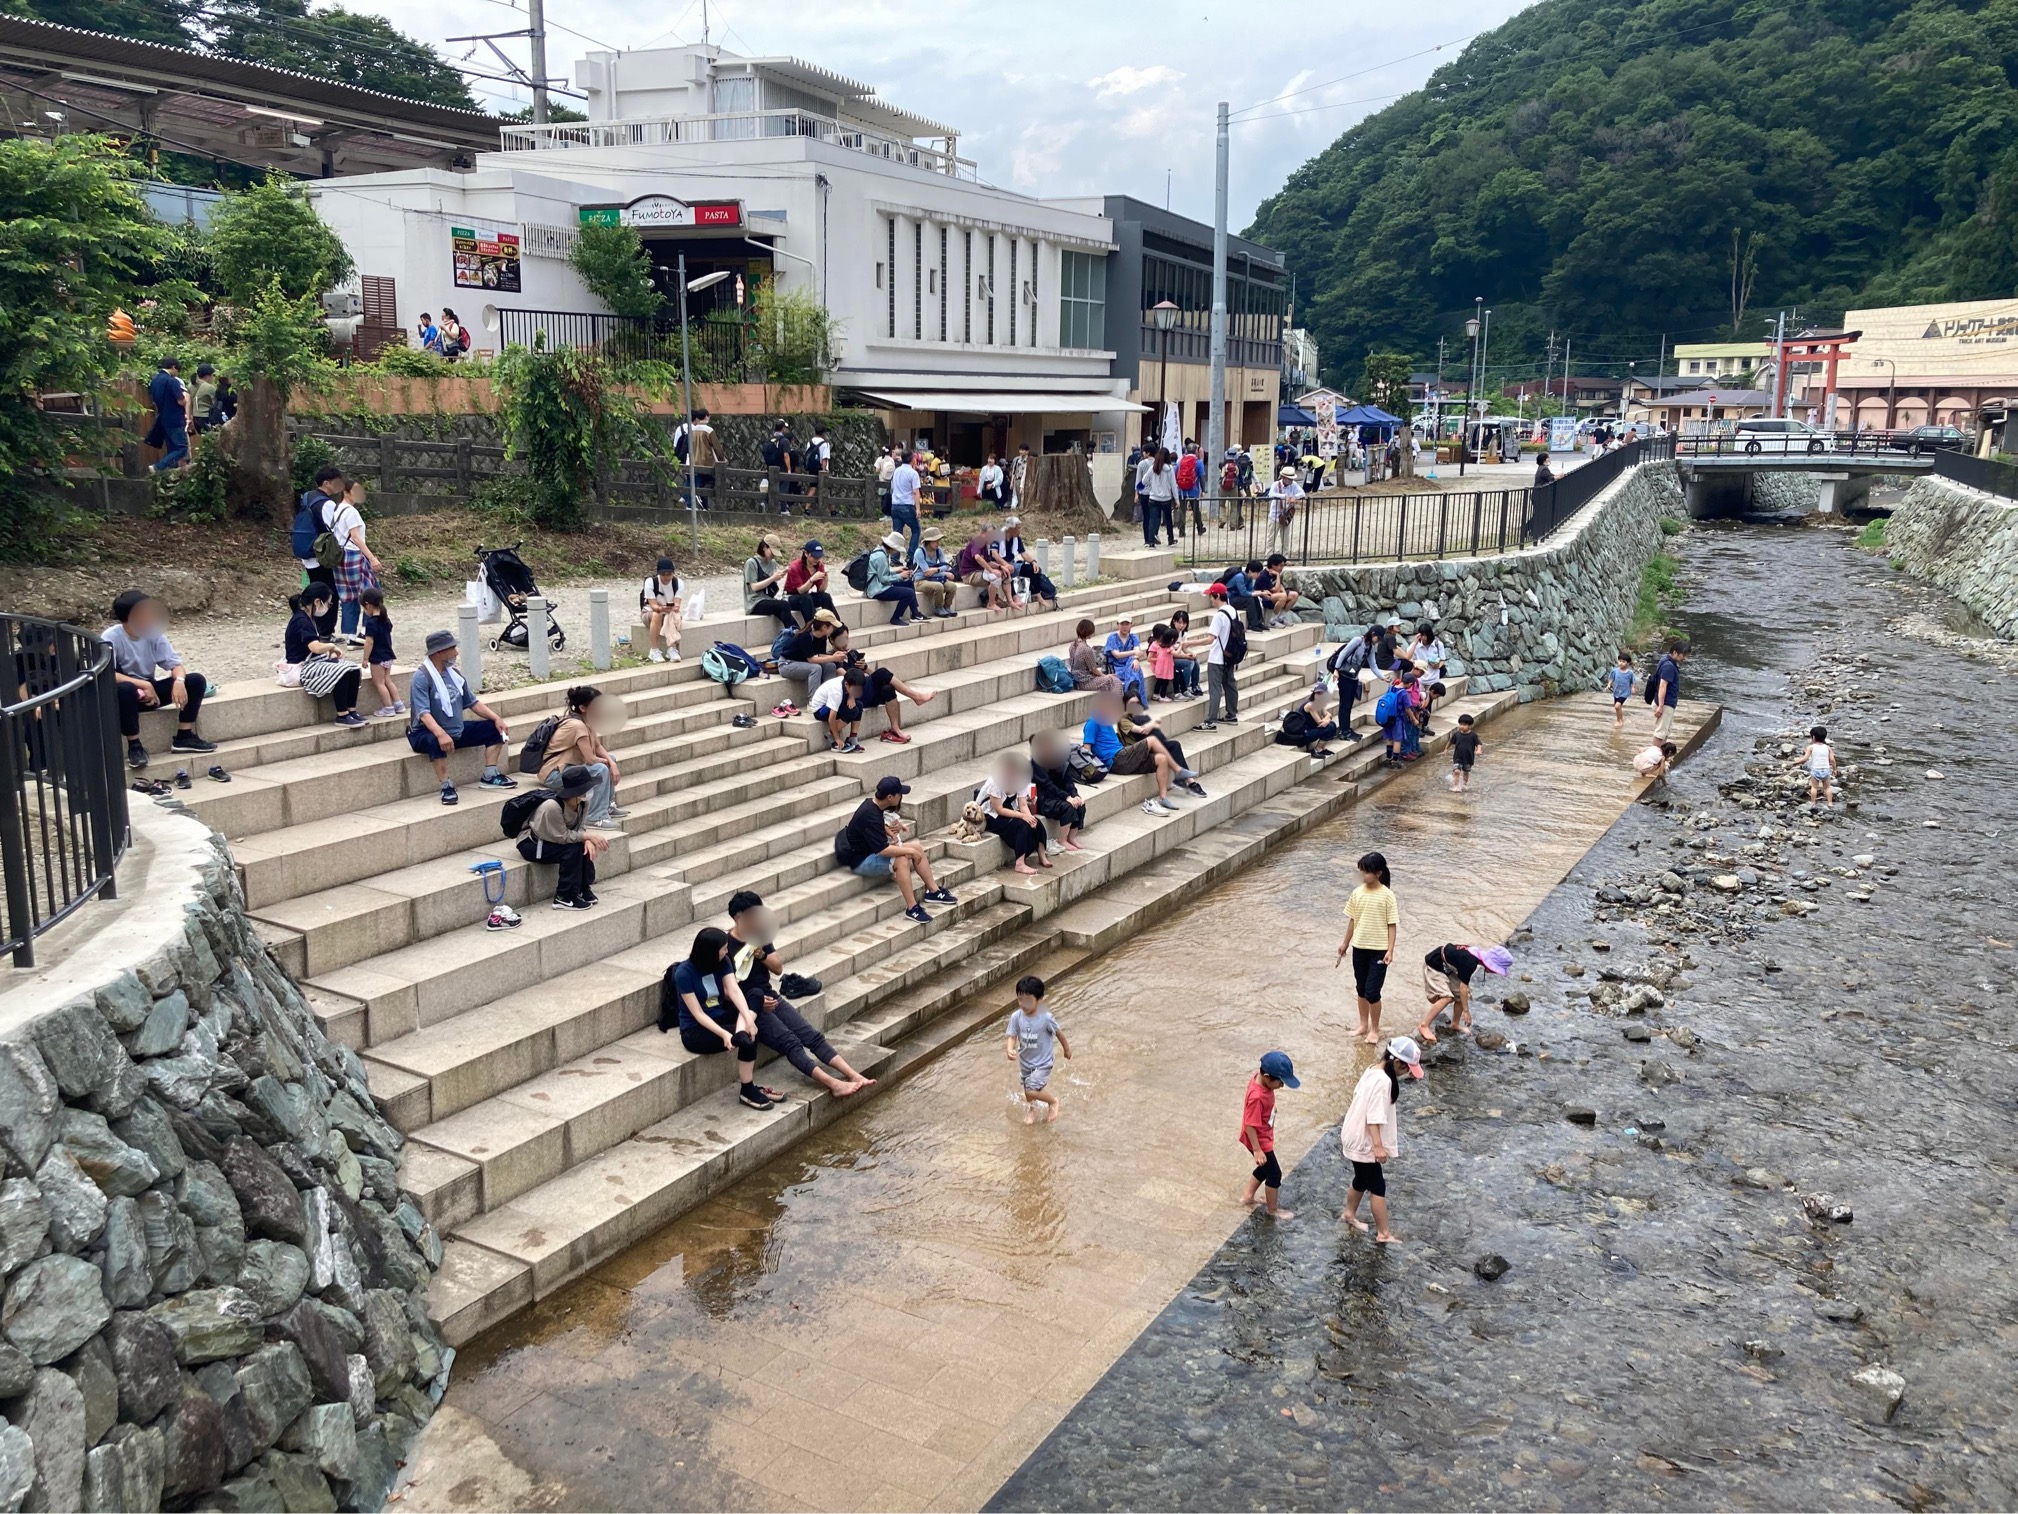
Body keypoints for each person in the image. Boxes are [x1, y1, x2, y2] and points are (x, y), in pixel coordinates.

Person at [726, 890, 874, 1097]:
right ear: (739, 918)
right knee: (791, 1043)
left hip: (772, 998)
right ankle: (834, 1084)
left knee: (811, 1036)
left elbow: (778, 968)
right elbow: (727, 990)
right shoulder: (726, 947)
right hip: (749, 1009)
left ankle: (853, 1075)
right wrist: (757, 1003)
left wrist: (762, 954)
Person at [658, 927, 772, 1111]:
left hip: (720, 1016)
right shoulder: (684, 973)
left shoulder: (723, 962)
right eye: (724, 948)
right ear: (710, 952)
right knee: (750, 1040)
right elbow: (698, 1014)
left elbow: (734, 991)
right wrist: (724, 1035)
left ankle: (741, 1032)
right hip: (696, 1031)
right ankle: (747, 1089)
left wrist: (748, 1020)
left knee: (756, 994)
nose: (727, 952)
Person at [104, 590, 216, 768]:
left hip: (151, 691)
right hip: (125, 694)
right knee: (125, 689)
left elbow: (175, 664)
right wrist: (143, 685)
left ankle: (184, 737)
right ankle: (135, 745)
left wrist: (179, 681)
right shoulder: (111, 637)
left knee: (195, 681)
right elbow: (107, 673)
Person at [408, 628, 513, 805]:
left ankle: (490, 775)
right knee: (435, 741)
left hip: (456, 730)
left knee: (493, 729)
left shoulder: (454, 674)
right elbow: (423, 714)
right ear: (439, 652)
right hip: (424, 733)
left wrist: (496, 718)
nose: (456, 652)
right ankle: (446, 785)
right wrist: (441, 734)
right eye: (452, 648)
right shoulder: (422, 677)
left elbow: (473, 702)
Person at [834, 776, 958, 923]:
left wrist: (889, 830)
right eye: (900, 794)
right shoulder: (870, 813)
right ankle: (912, 908)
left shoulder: (873, 805)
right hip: (859, 861)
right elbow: (883, 850)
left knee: (917, 846)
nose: (901, 797)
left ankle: (933, 891)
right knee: (902, 860)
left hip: (868, 851)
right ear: (890, 797)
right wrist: (909, 852)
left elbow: (873, 828)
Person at [1339, 1037, 1421, 1244]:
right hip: (1364, 1140)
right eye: (1407, 1068)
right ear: (1398, 1062)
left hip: (1352, 1133)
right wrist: (1378, 1147)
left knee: (1361, 1178)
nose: (1408, 1073)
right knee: (1377, 1186)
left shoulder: (1373, 1070)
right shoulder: (1384, 1081)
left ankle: (1349, 1214)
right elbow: (1373, 1117)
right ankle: (1383, 1233)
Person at [1083, 690, 1202, 815]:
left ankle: (1163, 798)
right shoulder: (1093, 723)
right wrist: (1095, 771)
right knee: (1151, 740)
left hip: (1123, 759)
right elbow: (1087, 750)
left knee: (1161, 759)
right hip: (1116, 759)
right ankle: (1178, 771)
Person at [516, 763, 610, 912]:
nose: (591, 790)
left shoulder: (583, 802)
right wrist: (587, 836)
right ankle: (563, 897)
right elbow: (562, 837)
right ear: (577, 791)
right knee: (572, 850)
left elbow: (580, 826)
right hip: (533, 843)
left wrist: (586, 839)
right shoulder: (552, 807)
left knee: (582, 846)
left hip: (555, 839)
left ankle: (582, 888)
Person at [537, 685, 625, 826]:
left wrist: (612, 762)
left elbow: (597, 747)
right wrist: (609, 765)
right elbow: (591, 759)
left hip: (569, 769)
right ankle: (595, 816)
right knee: (600, 768)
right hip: (553, 774)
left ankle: (607, 806)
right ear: (583, 708)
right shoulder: (576, 726)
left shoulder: (587, 722)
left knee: (610, 759)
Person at [1337, 851, 1398, 1046]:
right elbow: (1353, 920)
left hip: (1379, 950)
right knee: (1361, 989)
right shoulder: (1357, 893)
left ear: (1379, 873)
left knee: (1373, 992)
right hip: (1359, 948)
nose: (1363, 875)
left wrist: (1390, 950)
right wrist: (1345, 943)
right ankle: (1363, 1025)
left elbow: (1392, 925)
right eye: (1361, 871)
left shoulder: (1388, 896)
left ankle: (1375, 1029)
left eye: (1366, 871)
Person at [282, 587, 365, 728]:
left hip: (312, 662)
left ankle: (351, 710)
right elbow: (315, 647)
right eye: (329, 603)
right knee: (342, 671)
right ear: (317, 602)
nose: (329, 607)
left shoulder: (307, 617)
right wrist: (331, 646)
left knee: (353, 669)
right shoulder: (301, 621)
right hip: (301, 667)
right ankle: (342, 715)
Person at [1239, 1050, 1298, 1220]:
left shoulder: (1259, 1077)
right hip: (1257, 1140)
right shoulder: (1257, 1097)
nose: (1282, 1086)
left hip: (1262, 1136)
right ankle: (1273, 1210)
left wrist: (1270, 1107)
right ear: (1266, 1076)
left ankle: (1247, 1197)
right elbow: (1250, 1125)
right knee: (1274, 1173)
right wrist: (1257, 1150)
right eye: (1280, 1082)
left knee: (1265, 1167)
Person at [1417, 943, 1511, 1044]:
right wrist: (1466, 1011)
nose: (1495, 972)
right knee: (1447, 997)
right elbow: (1463, 987)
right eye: (1496, 970)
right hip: (1434, 964)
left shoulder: (1475, 956)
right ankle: (1424, 1025)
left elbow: (1463, 989)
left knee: (1464, 996)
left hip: (1446, 967)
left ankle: (1455, 1024)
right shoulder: (1470, 962)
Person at [1006, 974, 1070, 1123]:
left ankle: (1053, 1102)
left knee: (1031, 1089)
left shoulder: (1046, 1017)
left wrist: (1066, 1049)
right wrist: (1009, 1049)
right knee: (1028, 1089)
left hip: (1043, 1062)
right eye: (1020, 999)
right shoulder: (1016, 1017)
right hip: (1026, 1061)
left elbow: (1059, 1033)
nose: (1023, 1003)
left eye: (1028, 1000)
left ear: (1039, 1000)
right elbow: (1012, 1036)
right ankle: (1032, 1109)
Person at [294, 465, 345, 640]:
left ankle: (315, 628)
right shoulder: (326, 503)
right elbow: (334, 529)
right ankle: (326, 632)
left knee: (315, 590)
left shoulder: (308, 496)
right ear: (326, 483)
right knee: (328, 594)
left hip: (307, 552)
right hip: (321, 555)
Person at [328, 478, 382, 642]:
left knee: (348, 595)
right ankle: (366, 630)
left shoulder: (337, 510)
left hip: (340, 557)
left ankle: (350, 634)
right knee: (371, 593)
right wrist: (372, 558)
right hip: (354, 556)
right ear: (346, 492)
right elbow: (356, 538)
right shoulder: (351, 512)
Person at [979, 750, 1050, 875]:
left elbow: (1023, 804)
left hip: (1009, 810)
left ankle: (1042, 856)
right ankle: (1020, 864)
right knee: (1021, 825)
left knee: (1036, 822)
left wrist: (1029, 817)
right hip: (990, 815)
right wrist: (1023, 817)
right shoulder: (994, 782)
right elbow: (998, 809)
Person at [774, 606, 848, 709]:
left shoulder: (822, 637)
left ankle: (828, 697)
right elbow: (811, 659)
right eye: (832, 627)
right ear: (824, 627)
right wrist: (833, 658)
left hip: (803, 663)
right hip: (787, 664)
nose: (834, 630)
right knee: (816, 668)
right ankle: (814, 702)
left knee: (830, 666)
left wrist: (836, 656)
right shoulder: (805, 636)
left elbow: (820, 655)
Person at [1029, 730, 1088, 851]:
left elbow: (1068, 781)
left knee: (1080, 804)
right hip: (1045, 799)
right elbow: (1047, 785)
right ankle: (1062, 839)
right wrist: (1066, 797)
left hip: (1060, 795)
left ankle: (1071, 837)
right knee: (1068, 807)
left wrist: (1074, 795)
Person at [1197, 586, 1242, 731]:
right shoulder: (1234, 611)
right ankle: (1231, 714)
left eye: (1211, 596)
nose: (1210, 599)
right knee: (1230, 685)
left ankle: (1210, 721)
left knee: (1215, 689)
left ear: (1217, 596)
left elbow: (1210, 639)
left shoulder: (1219, 616)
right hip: (1230, 656)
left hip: (1217, 658)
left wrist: (1189, 643)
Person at [357, 586, 401, 719]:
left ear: (368, 605)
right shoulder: (385, 620)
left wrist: (365, 658)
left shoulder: (371, 623)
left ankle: (388, 708)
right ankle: (398, 704)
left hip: (378, 657)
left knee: (379, 683)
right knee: (388, 680)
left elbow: (369, 642)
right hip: (388, 655)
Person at [809, 665, 870, 753]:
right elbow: (831, 718)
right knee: (853, 710)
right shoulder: (836, 692)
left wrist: (851, 696)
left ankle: (852, 738)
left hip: (832, 703)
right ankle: (831, 735)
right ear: (846, 684)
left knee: (859, 705)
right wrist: (837, 738)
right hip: (820, 710)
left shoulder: (846, 681)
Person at [998, 516, 1057, 607]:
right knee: (1008, 571)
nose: (1019, 530)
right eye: (1018, 528)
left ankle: (1037, 595)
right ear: (1011, 528)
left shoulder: (1016, 538)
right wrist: (1005, 564)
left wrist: (1033, 562)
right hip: (1000, 564)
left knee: (1033, 569)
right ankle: (1014, 597)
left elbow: (1023, 553)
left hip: (1012, 563)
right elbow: (994, 555)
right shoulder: (998, 537)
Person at [743, 534, 797, 632]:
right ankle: (791, 635)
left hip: (768, 598)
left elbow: (771, 582)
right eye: (772, 552)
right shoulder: (751, 563)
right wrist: (772, 578)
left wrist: (779, 576)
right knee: (784, 605)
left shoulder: (772, 563)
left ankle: (799, 634)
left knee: (785, 609)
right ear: (764, 548)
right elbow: (754, 587)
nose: (773, 556)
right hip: (755, 602)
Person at [864, 531, 920, 626]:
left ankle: (915, 612)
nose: (897, 551)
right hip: (877, 590)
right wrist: (900, 576)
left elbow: (883, 572)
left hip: (878, 585)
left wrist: (898, 570)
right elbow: (884, 579)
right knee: (909, 593)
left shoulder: (880, 552)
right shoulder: (881, 557)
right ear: (892, 547)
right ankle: (896, 617)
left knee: (909, 583)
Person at [146, 357, 190, 473]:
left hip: (163, 418)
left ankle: (168, 474)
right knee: (182, 448)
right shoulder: (172, 381)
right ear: (173, 367)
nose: (177, 374)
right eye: (177, 371)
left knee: (172, 449)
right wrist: (185, 400)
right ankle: (158, 467)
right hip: (175, 418)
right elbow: (181, 401)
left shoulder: (155, 380)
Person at [782, 541, 838, 627]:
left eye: (819, 557)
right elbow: (800, 590)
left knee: (825, 596)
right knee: (806, 599)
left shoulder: (819, 566)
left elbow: (820, 590)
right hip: (790, 597)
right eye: (814, 557)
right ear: (806, 554)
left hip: (805, 596)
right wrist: (811, 580)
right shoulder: (795, 567)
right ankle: (814, 627)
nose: (817, 559)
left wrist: (825, 580)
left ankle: (836, 626)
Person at [1066, 618, 1125, 698]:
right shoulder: (1086, 649)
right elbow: (1093, 669)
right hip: (1084, 682)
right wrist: (1105, 676)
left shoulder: (1073, 645)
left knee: (1108, 683)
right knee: (1115, 681)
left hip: (1076, 679)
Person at [1277, 681, 1339, 758]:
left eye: (1322, 694)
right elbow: (1320, 723)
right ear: (1314, 693)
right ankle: (1316, 750)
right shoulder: (1311, 705)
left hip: (1311, 730)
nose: (1319, 696)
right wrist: (1327, 719)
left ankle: (1322, 749)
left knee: (1332, 724)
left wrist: (1327, 719)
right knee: (1329, 727)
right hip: (1303, 734)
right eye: (1318, 693)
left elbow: (1328, 715)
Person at [956, 525, 1010, 612]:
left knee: (1005, 573)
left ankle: (1010, 601)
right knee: (995, 577)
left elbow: (987, 562)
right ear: (982, 533)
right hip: (969, 574)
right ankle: (991, 603)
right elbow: (977, 557)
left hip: (980, 572)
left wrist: (1000, 567)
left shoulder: (986, 545)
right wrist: (992, 570)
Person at [640, 557, 684, 662]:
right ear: (658, 574)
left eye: (669, 574)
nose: (666, 577)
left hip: (669, 612)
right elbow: (653, 606)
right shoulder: (651, 582)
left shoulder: (678, 583)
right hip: (650, 612)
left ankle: (672, 648)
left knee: (673, 615)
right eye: (663, 574)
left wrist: (674, 607)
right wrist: (661, 608)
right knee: (657, 615)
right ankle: (654, 650)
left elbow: (677, 603)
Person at [911, 527, 959, 617]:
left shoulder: (939, 551)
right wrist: (945, 573)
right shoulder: (919, 552)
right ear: (928, 542)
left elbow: (945, 565)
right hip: (921, 580)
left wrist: (937, 570)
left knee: (952, 586)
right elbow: (927, 572)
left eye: (938, 540)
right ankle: (938, 607)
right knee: (938, 586)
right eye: (935, 541)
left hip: (935, 578)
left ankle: (947, 607)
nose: (938, 543)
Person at [1103, 615, 1149, 706]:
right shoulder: (1112, 638)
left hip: (1130, 665)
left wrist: (1136, 659)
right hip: (1116, 667)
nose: (1124, 627)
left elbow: (1138, 652)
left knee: (1133, 664)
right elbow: (1117, 655)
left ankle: (1133, 693)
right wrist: (1134, 653)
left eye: (1127, 624)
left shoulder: (1133, 637)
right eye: (1122, 624)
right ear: (1118, 625)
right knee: (1134, 668)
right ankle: (1134, 696)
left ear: (1131, 625)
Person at [888, 450, 924, 557]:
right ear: (913, 460)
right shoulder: (913, 473)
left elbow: (892, 487)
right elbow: (915, 492)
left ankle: (894, 558)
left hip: (895, 504)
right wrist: (917, 509)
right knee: (916, 530)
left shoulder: (896, 471)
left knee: (897, 533)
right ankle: (910, 556)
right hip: (907, 505)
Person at [1141, 449, 1179, 548]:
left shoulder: (1153, 468)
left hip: (1153, 498)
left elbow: (1144, 480)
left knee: (1152, 519)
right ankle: (1170, 539)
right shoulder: (1170, 469)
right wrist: (1176, 499)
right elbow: (1173, 485)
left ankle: (1150, 541)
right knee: (1168, 520)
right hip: (1166, 499)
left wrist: (1143, 488)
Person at [1651, 639, 1687, 739]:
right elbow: (1663, 686)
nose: (1685, 658)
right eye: (1683, 655)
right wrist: (1661, 706)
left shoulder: (1664, 660)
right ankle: (1656, 753)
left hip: (1662, 701)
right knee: (1660, 734)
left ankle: (1661, 753)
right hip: (1666, 704)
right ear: (1675, 652)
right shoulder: (1669, 667)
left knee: (1665, 731)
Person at [1253, 554, 1302, 624]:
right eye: (1280, 565)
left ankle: (1281, 617)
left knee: (1294, 595)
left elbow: (1280, 587)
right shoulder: (1264, 576)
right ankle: (1273, 620)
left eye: (1283, 565)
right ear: (1273, 565)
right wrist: (1278, 576)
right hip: (1264, 598)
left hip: (1274, 596)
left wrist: (1283, 592)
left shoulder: (1275, 573)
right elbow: (1276, 590)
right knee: (1282, 596)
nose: (1282, 568)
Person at [1267, 467, 1304, 558]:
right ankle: (1268, 558)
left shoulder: (1294, 484)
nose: (1291, 480)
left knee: (1285, 539)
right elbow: (1271, 494)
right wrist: (1283, 496)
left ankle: (1285, 557)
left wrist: (1295, 496)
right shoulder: (1275, 484)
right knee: (1271, 539)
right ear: (1283, 477)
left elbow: (1302, 493)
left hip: (1286, 515)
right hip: (1275, 515)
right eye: (1289, 478)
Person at [1167, 608, 1204, 698]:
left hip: (1177, 656)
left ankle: (1194, 686)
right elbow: (1172, 653)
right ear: (1174, 622)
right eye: (1179, 622)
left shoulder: (1183, 634)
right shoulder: (1169, 633)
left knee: (1195, 661)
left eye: (1184, 623)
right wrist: (1186, 656)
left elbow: (1184, 648)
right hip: (1168, 659)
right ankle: (1184, 687)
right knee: (1189, 663)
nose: (1181, 625)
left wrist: (1191, 653)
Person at [1223, 561, 1268, 633]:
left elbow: (1251, 590)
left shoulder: (1249, 578)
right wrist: (1261, 593)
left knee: (1255, 597)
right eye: (1257, 573)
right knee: (1249, 600)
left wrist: (1263, 592)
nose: (1259, 575)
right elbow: (1244, 593)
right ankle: (1253, 624)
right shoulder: (1240, 577)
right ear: (1250, 571)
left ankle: (1259, 622)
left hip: (1238, 597)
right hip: (1231, 599)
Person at [1801, 723, 1838, 806]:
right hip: (1825, 770)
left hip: (1816, 769)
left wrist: (1795, 763)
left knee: (1814, 787)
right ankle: (1830, 803)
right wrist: (1834, 769)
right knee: (1827, 788)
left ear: (1813, 737)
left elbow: (1805, 758)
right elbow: (1832, 760)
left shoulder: (1811, 747)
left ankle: (1813, 803)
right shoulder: (1828, 747)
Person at [686, 407, 716, 506]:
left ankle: (704, 506)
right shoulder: (708, 430)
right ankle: (702, 498)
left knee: (699, 483)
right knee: (712, 482)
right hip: (707, 462)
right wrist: (722, 459)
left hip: (694, 461)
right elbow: (717, 447)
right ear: (706, 416)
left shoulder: (692, 430)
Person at [1448, 712, 1481, 792]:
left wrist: (1479, 750)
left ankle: (1464, 784)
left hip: (1468, 758)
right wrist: (1446, 749)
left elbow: (1478, 744)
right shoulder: (1457, 734)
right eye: (1460, 724)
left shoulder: (1473, 735)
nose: (1462, 726)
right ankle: (1456, 786)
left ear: (1470, 726)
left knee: (1466, 772)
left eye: (1464, 725)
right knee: (1457, 771)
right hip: (1458, 757)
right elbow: (1450, 742)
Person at [1175, 446, 1203, 533]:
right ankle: (1200, 528)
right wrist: (1203, 490)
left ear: (1186, 451)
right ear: (1196, 451)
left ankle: (1181, 531)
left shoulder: (1180, 461)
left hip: (1181, 490)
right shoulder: (1198, 462)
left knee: (1182, 510)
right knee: (1196, 510)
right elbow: (1202, 476)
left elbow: (1176, 473)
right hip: (1193, 490)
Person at [1608, 651, 1635, 727]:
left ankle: (1620, 721)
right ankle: (1619, 719)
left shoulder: (1630, 673)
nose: (1621, 663)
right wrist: (1609, 684)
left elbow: (1633, 681)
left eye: (1623, 661)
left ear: (1628, 663)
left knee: (1617, 706)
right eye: (1620, 661)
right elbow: (1611, 678)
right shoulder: (1615, 671)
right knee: (1617, 707)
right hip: (1616, 691)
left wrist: (1633, 688)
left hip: (1625, 692)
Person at [190, 363, 219, 435]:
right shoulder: (210, 388)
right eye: (212, 376)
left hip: (194, 417)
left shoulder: (190, 386)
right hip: (206, 416)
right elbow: (215, 403)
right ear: (207, 376)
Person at [1009, 443, 1033, 513]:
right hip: (1017, 479)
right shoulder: (1016, 460)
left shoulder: (1029, 460)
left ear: (1027, 451)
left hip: (1025, 480)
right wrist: (1011, 482)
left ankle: (1022, 509)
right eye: (1020, 450)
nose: (1021, 451)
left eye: (1023, 450)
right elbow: (1014, 471)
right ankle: (1014, 508)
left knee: (1023, 495)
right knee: (1016, 495)